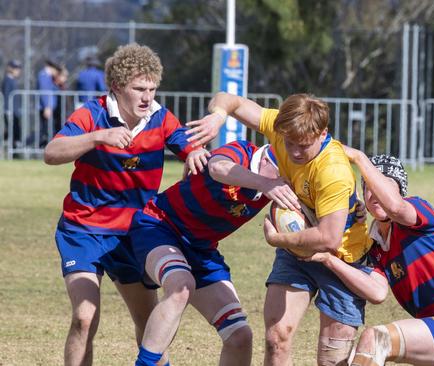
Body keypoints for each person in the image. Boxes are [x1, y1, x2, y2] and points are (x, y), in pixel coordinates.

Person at [43, 43, 206, 366]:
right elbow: (52, 152)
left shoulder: (160, 118)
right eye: (139, 89)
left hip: (133, 234)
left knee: (150, 325)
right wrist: (97, 137)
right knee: (84, 317)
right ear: (117, 87)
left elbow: (192, 151)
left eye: (152, 88)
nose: (147, 96)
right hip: (84, 231)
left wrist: (199, 155)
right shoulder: (92, 114)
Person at [186, 92, 373, 366]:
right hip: (296, 254)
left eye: (304, 145)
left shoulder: (332, 171)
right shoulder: (282, 125)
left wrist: (279, 239)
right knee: (276, 339)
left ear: (323, 134)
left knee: (333, 358)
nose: (295, 152)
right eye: (289, 143)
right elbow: (230, 100)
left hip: (342, 259)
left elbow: (329, 238)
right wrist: (218, 117)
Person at [306, 150, 434, 366]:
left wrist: (360, 158)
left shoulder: (417, 210)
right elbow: (377, 292)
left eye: (384, 184)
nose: (374, 192)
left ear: (400, 191)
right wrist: (329, 260)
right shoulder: (375, 245)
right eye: (368, 186)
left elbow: (397, 208)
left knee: (376, 339)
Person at [130, 140, 300, 366]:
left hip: (201, 249)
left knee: (239, 336)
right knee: (182, 286)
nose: (288, 181)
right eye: (285, 173)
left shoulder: (276, 185)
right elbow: (218, 167)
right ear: (268, 158)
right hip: (160, 225)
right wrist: (266, 183)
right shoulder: (242, 151)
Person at [37, 58, 63, 147]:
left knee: (48, 130)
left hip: (49, 108)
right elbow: (44, 92)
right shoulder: (44, 76)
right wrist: (47, 106)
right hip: (46, 108)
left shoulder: (49, 77)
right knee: (46, 131)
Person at [2, 59, 22, 147]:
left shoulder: (13, 80)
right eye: (15, 68)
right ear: (10, 68)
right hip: (10, 111)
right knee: (11, 131)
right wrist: (7, 110)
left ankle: (13, 150)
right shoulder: (7, 80)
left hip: (15, 111)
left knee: (14, 131)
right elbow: (6, 96)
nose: (18, 71)